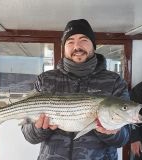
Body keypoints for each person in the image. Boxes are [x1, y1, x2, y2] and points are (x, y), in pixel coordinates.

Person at [21, 19, 131, 160]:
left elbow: (124, 138)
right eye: (70, 41)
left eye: (83, 40)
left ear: (93, 45)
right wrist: (39, 129)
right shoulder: (45, 80)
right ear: (64, 47)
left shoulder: (114, 81)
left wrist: (109, 132)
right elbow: (28, 135)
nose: (77, 46)